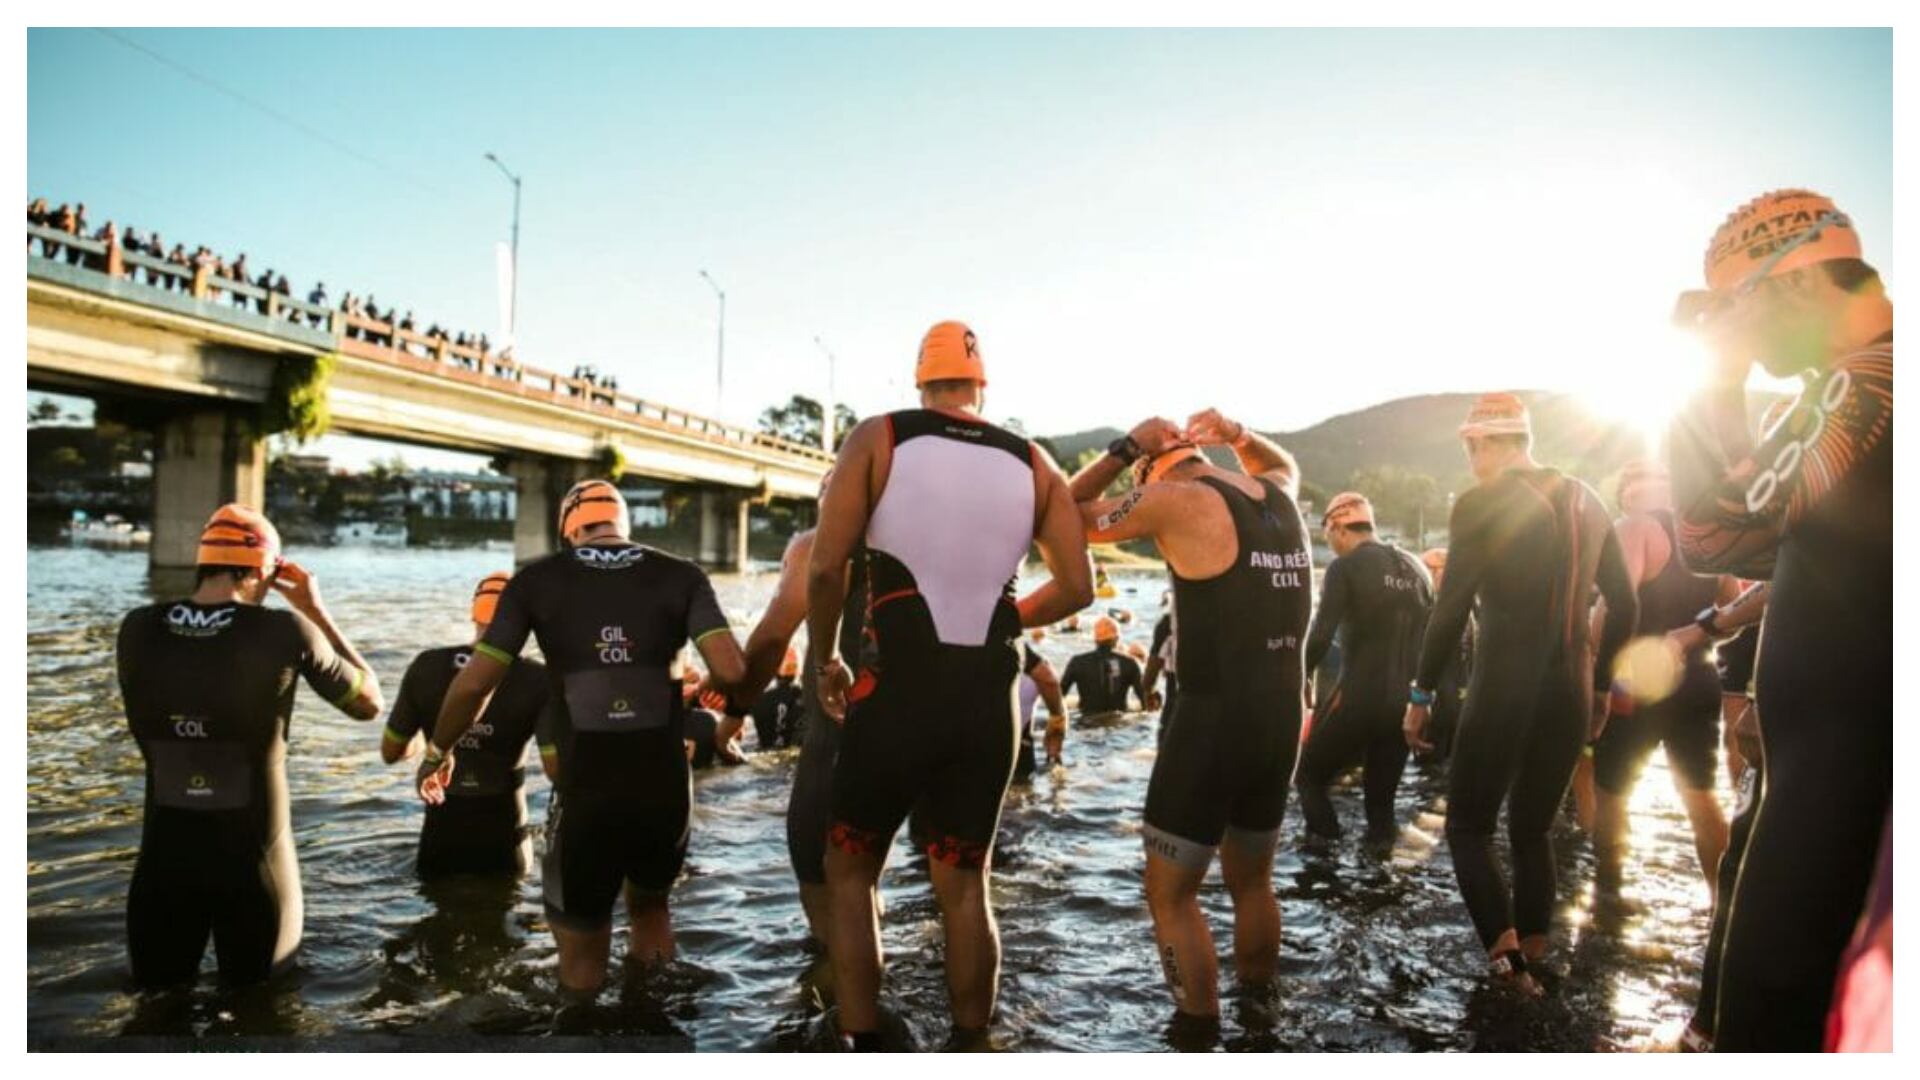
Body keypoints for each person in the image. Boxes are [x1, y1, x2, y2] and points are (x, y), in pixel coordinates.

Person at [807, 320, 1092, 1049]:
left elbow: (825, 566)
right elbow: (1079, 585)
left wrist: (823, 661)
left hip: (897, 691)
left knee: (850, 873)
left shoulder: (881, 436)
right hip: (986, 701)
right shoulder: (1033, 462)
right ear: (981, 382)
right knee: (966, 887)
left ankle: (862, 1042)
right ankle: (971, 1047)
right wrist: (1001, 619)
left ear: (920, 378)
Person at [1667, 189, 1891, 1050]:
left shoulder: (1875, 378)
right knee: (1753, 979)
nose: (1736, 335)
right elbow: (1763, 544)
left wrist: (1715, 379)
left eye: (1734, 310)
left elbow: (1709, 525)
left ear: (1791, 285)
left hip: (1853, 783)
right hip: (1818, 761)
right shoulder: (1840, 390)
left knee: (1780, 1003)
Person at [415, 479, 746, 995]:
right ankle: (652, 1025)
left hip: (586, 788)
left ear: (569, 531)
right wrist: (710, 689)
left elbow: (477, 682)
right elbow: (731, 668)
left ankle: (585, 1034)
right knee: (652, 910)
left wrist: (439, 752)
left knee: (582, 949)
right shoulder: (681, 575)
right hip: (663, 789)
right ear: (623, 522)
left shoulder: (537, 581)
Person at [1069, 408, 1310, 1027]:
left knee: (1170, 894)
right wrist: (1238, 434)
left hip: (1212, 720)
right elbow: (1282, 462)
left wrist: (1124, 449)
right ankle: (1260, 1016)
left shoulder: (1174, 500)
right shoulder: (1279, 493)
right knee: (1252, 883)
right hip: (1282, 717)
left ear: (1155, 469)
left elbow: (1065, 514)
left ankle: (1196, 1034)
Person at [1403, 393, 1636, 994]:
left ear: (1491, 442)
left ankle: (1508, 972)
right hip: (1571, 689)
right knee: (1532, 831)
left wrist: (1422, 694)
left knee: (1468, 829)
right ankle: (1533, 956)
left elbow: (1449, 610)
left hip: (1505, 683)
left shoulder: (1482, 503)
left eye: (1471, 445)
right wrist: (1604, 685)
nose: (1470, 457)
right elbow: (1625, 602)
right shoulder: (1589, 500)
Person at [115, 504, 383, 987]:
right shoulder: (284, 630)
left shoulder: (137, 628)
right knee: (264, 1017)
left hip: (162, 864)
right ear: (266, 569)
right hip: (255, 863)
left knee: (153, 1019)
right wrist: (314, 610)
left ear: (203, 561)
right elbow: (369, 704)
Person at [1588, 460, 1733, 905]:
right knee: (1702, 795)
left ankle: (1608, 892)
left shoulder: (1634, 527)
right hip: (1699, 677)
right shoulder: (1706, 535)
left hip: (1635, 680)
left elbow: (1619, 604)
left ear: (1628, 493)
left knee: (1611, 789)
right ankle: (1723, 907)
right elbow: (1735, 611)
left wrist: (1598, 660)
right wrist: (1691, 639)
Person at [381, 572, 553, 878]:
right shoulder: (538, 679)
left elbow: (392, 752)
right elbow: (557, 769)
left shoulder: (427, 666)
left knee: (435, 918)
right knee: (503, 913)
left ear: (474, 611)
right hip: (505, 835)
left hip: (440, 835)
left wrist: (432, 733)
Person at [1296, 492, 1433, 845]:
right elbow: (1433, 642)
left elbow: (1322, 633)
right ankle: (1376, 886)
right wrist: (1423, 698)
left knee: (1309, 779)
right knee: (1381, 804)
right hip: (1405, 702)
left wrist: (1299, 680)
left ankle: (1324, 871)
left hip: (1357, 697)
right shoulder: (1418, 569)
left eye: (1328, 535)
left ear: (1338, 527)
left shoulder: (1346, 567)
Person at [1417, 547, 1471, 761]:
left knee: (1430, 767)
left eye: (1426, 569)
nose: (1422, 576)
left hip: (1439, 705)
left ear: (1443, 572)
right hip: (1464, 701)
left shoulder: (1435, 611)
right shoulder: (1470, 606)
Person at [1058, 616, 1148, 721]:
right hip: (1119, 724)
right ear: (1116, 638)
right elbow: (1144, 699)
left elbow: (1059, 695)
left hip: (1087, 722)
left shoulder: (1077, 662)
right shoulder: (1130, 663)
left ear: (1095, 639)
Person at [1013, 638, 1068, 780]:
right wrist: (1057, 722)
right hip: (1018, 742)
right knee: (1023, 791)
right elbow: (1049, 682)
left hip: (973, 739)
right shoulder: (1038, 666)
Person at [748, 648, 807, 750]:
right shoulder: (807, 699)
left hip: (765, 756)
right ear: (800, 671)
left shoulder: (756, 701)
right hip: (796, 755)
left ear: (773, 671)